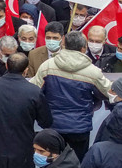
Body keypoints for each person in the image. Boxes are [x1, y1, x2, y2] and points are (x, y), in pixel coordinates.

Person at [30, 31, 112, 160]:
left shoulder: (47, 66)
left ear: (63, 44)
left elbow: (33, 91)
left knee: (51, 164)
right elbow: (108, 93)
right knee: (76, 165)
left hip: (53, 126)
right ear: (83, 48)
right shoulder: (93, 72)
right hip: (79, 128)